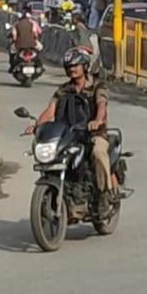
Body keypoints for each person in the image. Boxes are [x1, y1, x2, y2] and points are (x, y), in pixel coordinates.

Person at [27, 48, 114, 213]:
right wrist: (37, 125)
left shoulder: (97, 85)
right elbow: (51, 110)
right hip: (70, 135)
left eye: (76, 65)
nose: (72, 69)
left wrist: (97, 121)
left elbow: (101, 105)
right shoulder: (63, 90)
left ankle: (103, 194)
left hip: (94, 134)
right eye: (69, 66)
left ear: (85, 66)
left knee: (98, 153)